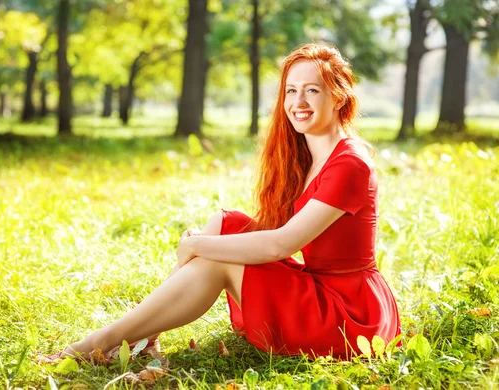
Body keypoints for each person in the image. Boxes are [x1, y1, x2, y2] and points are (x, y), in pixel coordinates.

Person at [45, 43, 401, 362]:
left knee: (214, 259)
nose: (298, 102)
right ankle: (145, 336)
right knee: (225, 220)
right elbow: (273, 234)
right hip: (324, 292)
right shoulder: (308, 157)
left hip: (348, 315)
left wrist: (197, 245)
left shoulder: (349, 162)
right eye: (291, 91)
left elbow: (282, 243)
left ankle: (99, 343)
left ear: (339, 96)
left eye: (312, 90)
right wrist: (205, 241)